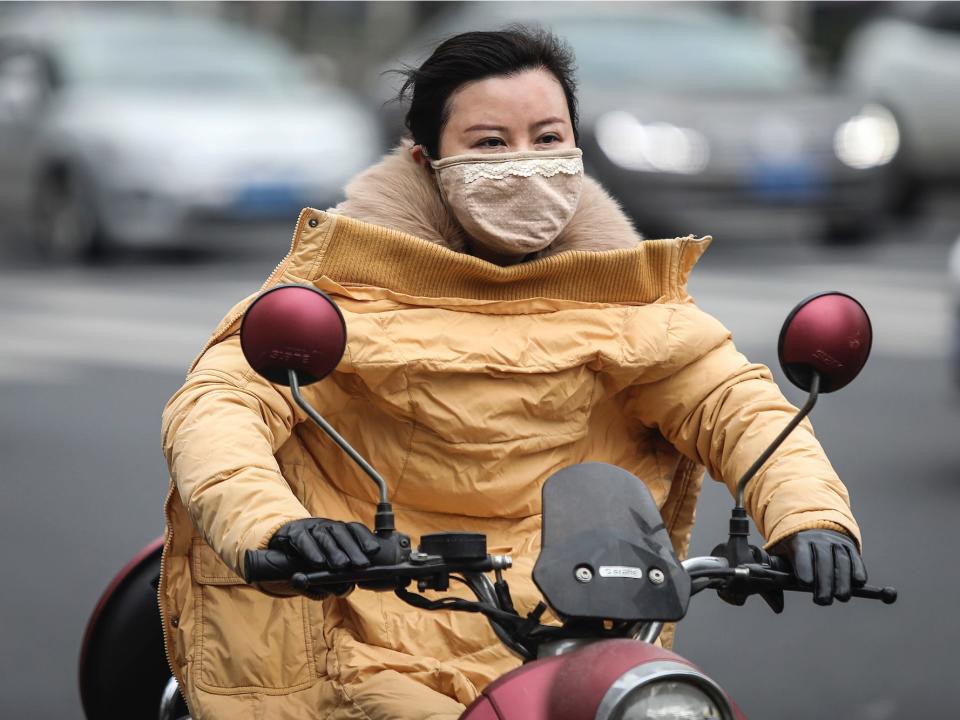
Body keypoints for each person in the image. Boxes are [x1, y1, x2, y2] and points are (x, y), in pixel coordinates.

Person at [159, 28, 867, 720]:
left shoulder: (630, 302)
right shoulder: (332, 298)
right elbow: (217, 410)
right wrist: (278, 528)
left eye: (548, 138)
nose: (525, 163)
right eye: (490, 143)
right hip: (366, 638)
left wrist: (809, 517)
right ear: (424, 159)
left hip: (576, 638)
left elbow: (733, 404)